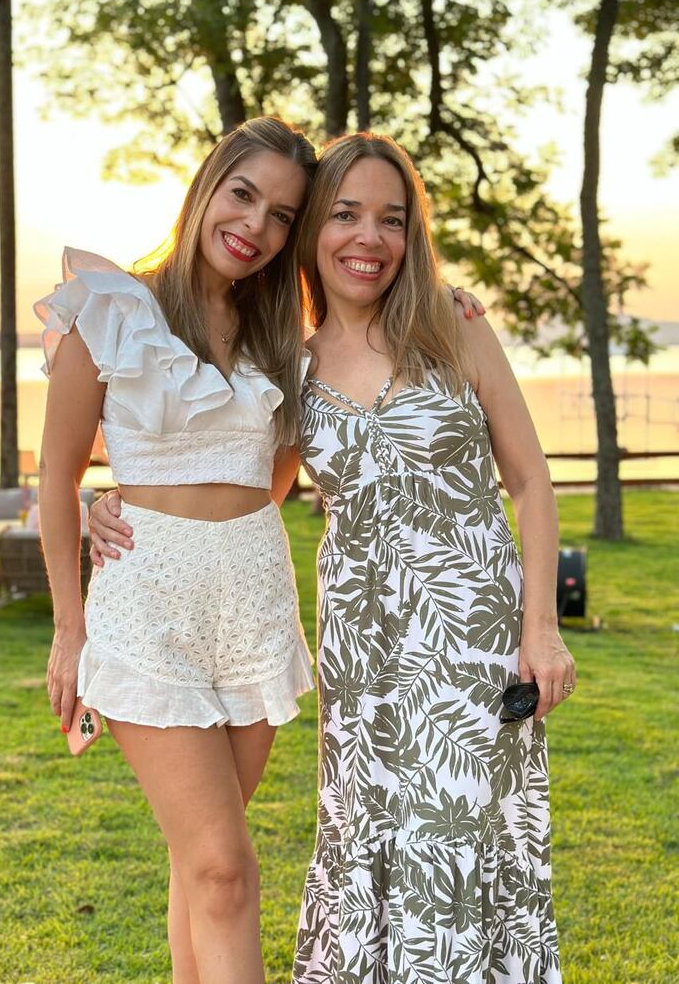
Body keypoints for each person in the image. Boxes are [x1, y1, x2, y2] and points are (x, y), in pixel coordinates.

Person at [35, 117, 320, 984]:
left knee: (199, 865)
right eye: (243, 194)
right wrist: (67, 626)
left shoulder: (280, 336)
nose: (256, 225)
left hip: (254, 606)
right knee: (226, 869)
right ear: (208, 185)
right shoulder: (115, 307)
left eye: (281, 214)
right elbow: (54, 476)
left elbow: (265, 480)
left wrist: (458, 308)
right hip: (147, 604)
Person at [291, 134, 573, 983]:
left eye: (391, 218)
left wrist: (543, 629)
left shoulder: (452, 325)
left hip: (469, 635)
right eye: (345, 214)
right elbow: (237, 495)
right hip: (362, 647)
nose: (367, 237)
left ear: (412, 235)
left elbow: (529, 481)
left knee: (457, 836)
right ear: (311, 228)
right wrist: (113, 499)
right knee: (365, 834)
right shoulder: (290, 365)